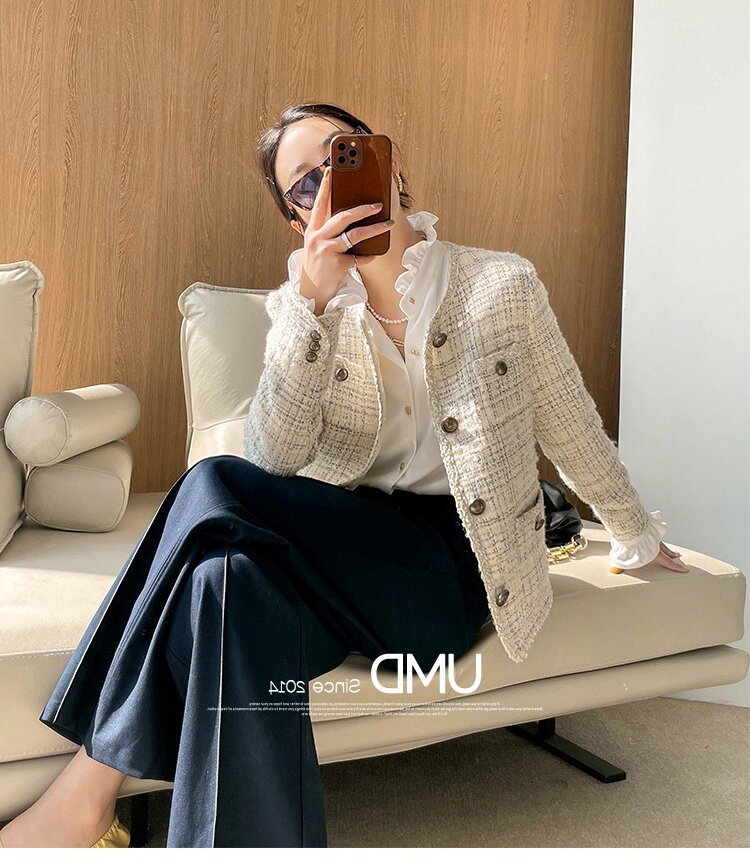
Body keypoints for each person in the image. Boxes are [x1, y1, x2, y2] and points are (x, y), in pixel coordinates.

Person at [0, 103, 689, 849]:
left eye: (343, 154)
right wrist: (314, 306)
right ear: (298, 218)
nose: (329, 179)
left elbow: (568, 420)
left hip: (452, 568)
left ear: (390, 162)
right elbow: (274, 459)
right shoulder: (302, 310)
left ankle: (83, 792)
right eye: (305, 182)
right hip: (343, 552)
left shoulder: (501, 283)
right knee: (224, 583)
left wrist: (634, 530)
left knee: (210, 484)